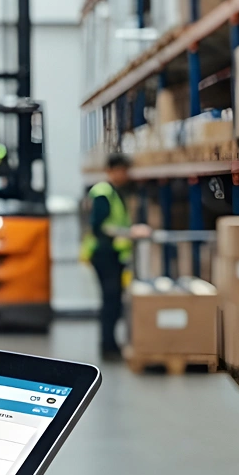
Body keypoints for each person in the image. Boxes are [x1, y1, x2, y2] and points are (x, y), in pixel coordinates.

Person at [81, 154, 151, 359]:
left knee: (114, 300)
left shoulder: (116, 192)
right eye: (120, 170)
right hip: (103, 254)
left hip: (114, 254)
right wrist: (130, 233)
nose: (123, 175)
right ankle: (108, 347)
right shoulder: (103, 193)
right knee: (110, 300)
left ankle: (112, 345)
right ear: (110, 171)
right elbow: (100, 226)